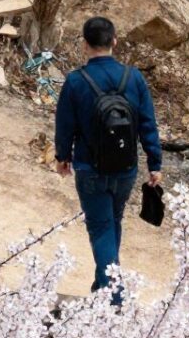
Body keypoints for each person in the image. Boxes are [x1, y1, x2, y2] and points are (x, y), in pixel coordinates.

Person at [53, 16, 163, 305]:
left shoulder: (77, 81)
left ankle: (113, 297)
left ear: (84, 44)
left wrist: (62, 157)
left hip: (90, 168)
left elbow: (65, 125)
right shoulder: (134, 78)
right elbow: (148, 123)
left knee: (101, 227)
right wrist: (155, 164)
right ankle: (102, 286)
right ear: (114, 41)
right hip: (126, 168)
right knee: (112, 222)